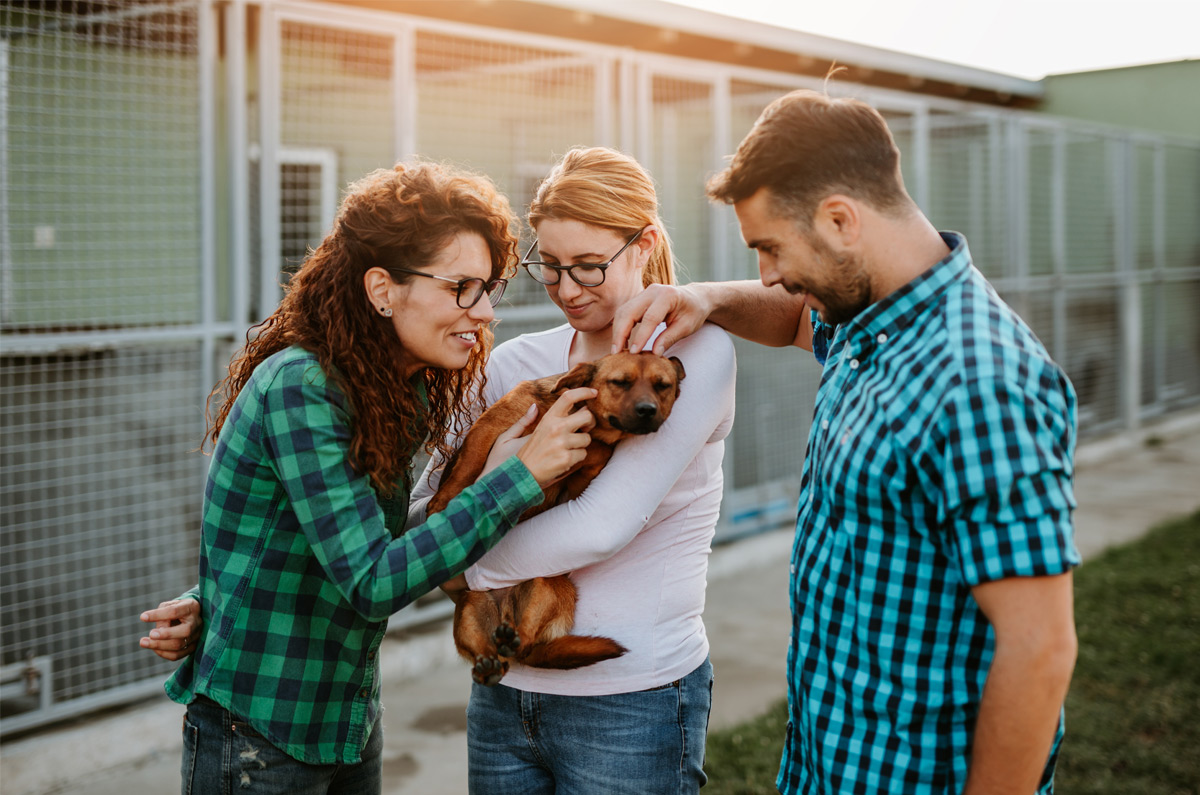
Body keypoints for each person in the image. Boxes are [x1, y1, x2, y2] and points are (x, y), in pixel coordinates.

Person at [612, 89, 1080, 794]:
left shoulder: (979, 380)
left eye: (770, 247)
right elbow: (795, 321)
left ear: (840, 219)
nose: (768, 273)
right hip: (829, 764)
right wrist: (705, 298)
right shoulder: (870, 322)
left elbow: (1039, 648)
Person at [137, 161, 597, 794]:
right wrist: (516, 478)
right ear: (382, 289)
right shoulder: (302, 387)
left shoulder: (389, 387)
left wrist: (210, 602)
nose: (486, 311)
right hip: (261, 730)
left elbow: (329, 535)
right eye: (462, 286)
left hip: (344, 715)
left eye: (489, 287)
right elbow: (372, 579)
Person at [412, 146, 736, 793]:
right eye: (549, 267)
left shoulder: (692, 357)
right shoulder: (516, 365)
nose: (566, 290)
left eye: (589, 267)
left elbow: (596, 527)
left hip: (633, 700)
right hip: (503, 691)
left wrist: (451, 561)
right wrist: (448, 525)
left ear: (642, 244)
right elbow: (426, 502)